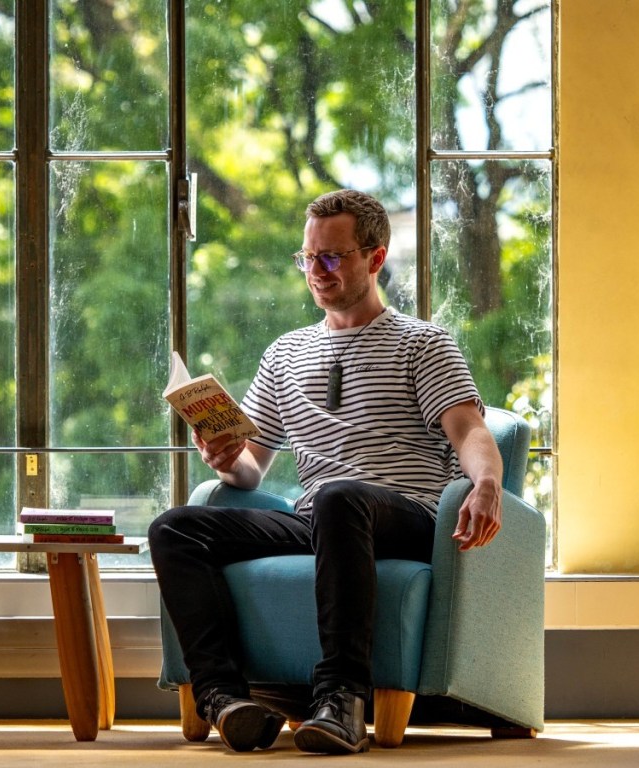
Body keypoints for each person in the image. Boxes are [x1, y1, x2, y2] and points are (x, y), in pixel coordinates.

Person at [149, 189, 503, 754]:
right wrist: (222, 456)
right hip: (320, 520)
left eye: (333, 257)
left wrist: (486, 483)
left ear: (375, 258)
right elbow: (251, 471)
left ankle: (341, 699)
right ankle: (225, 698)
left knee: (340, 497)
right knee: (174, 528)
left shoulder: (421, 343)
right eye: (309, 258)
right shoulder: (285, 354)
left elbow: (469, 431)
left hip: (406, 515)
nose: (318, 270)